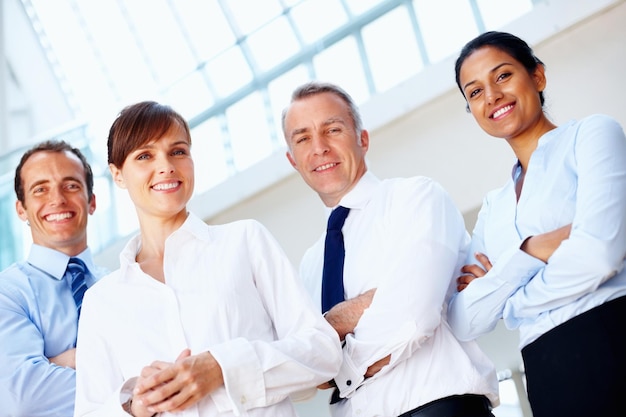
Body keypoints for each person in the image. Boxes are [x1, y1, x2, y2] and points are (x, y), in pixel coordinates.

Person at [74, 101, 342, 417]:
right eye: (145, 156)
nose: (166, 166)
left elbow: (322, 352)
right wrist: (135, 407)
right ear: (118, 175)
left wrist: (221, 367)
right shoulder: (102, 302)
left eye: (178, 151)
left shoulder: (245, 241)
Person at [282, 81, 499, 417]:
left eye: (333, 129)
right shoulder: (311, 264)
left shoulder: (415, 199)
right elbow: (302, 372)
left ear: (362, 139)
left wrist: (338, 364)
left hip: (437, 408)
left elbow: (410, 316)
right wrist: (355, 311)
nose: (319, 147)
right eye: (303, 138)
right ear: (292, 160)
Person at [449, 31, 626, 416]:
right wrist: (531, 251)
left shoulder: (592, 135)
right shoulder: (493, 209)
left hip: (611, 339)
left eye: (502, 76)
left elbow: (598, 255)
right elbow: (463, 320)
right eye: (475, 92)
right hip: (545, 375)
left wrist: (509, 301)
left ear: (538, 77)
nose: (492, 96)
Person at [0, 139, 105, 416]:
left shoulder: (124, 286)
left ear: (91, 201)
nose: (57, 199)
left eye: (71, 185)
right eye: (40, 189)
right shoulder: (7, 293)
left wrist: (56, 364)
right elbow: (23, 398)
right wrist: (126, 384)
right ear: (21, 209)